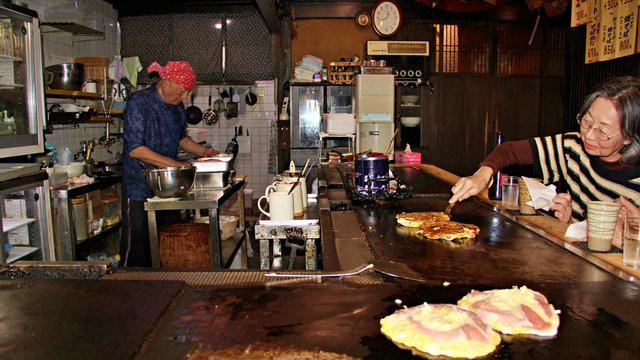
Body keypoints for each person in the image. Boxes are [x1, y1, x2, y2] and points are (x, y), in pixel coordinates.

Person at [449, 76, 640, 227]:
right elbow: (509, 150)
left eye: (602, 131)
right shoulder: (573, 146)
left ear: (629, 136)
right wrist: (482, 176)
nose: (588, 135)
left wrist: (634, 230)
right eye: (587, 121)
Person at [120, 60, 219, 267]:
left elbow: (181, 139)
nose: (184, 97)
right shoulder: (139, 102)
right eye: (182, 91)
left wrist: (205, 152)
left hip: (168, 188)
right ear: (166, 82)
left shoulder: (177, 107)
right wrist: (172, 163)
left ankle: (166, 285)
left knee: (168, 244)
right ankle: (130, 288)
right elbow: (135, 148)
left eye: (187, 92)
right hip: (139, 187)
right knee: (138, 246)